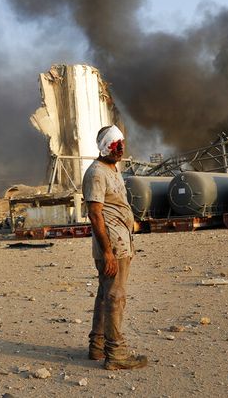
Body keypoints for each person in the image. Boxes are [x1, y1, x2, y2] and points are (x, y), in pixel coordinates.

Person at [82, 125, 148, 370]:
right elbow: (95, 214)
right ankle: (116, 355)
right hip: (112, 245)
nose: (120, 148)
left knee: (104, 295)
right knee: (115, 297)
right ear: (103, 147)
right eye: (114, 144)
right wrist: (108, 252)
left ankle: (97, 347)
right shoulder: (96, 173)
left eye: (121, 142)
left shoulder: (112, 169)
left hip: (120, 241)